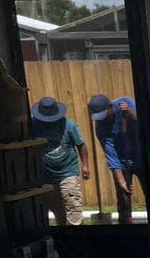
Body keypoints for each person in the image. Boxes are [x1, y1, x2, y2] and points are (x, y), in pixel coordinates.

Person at [30, 95, 90, 227]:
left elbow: (81, 145)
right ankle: (61, 235)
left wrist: (85, 165)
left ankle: (76, 234)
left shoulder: (69, 125)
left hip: (68, 170)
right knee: (57, 209)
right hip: (46, 175)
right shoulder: (33, 125)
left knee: (73, 203)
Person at [88, 93, 143, 224]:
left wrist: (130, 112)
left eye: (104, 115)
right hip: (122, 163)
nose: (102, 120)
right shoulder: (100, 127)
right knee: (123, 198)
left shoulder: (126, 103)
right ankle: (126, 225)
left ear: (110, 107)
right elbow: (110, 153)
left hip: (141, 158)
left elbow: (144, 123)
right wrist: (120, 179)